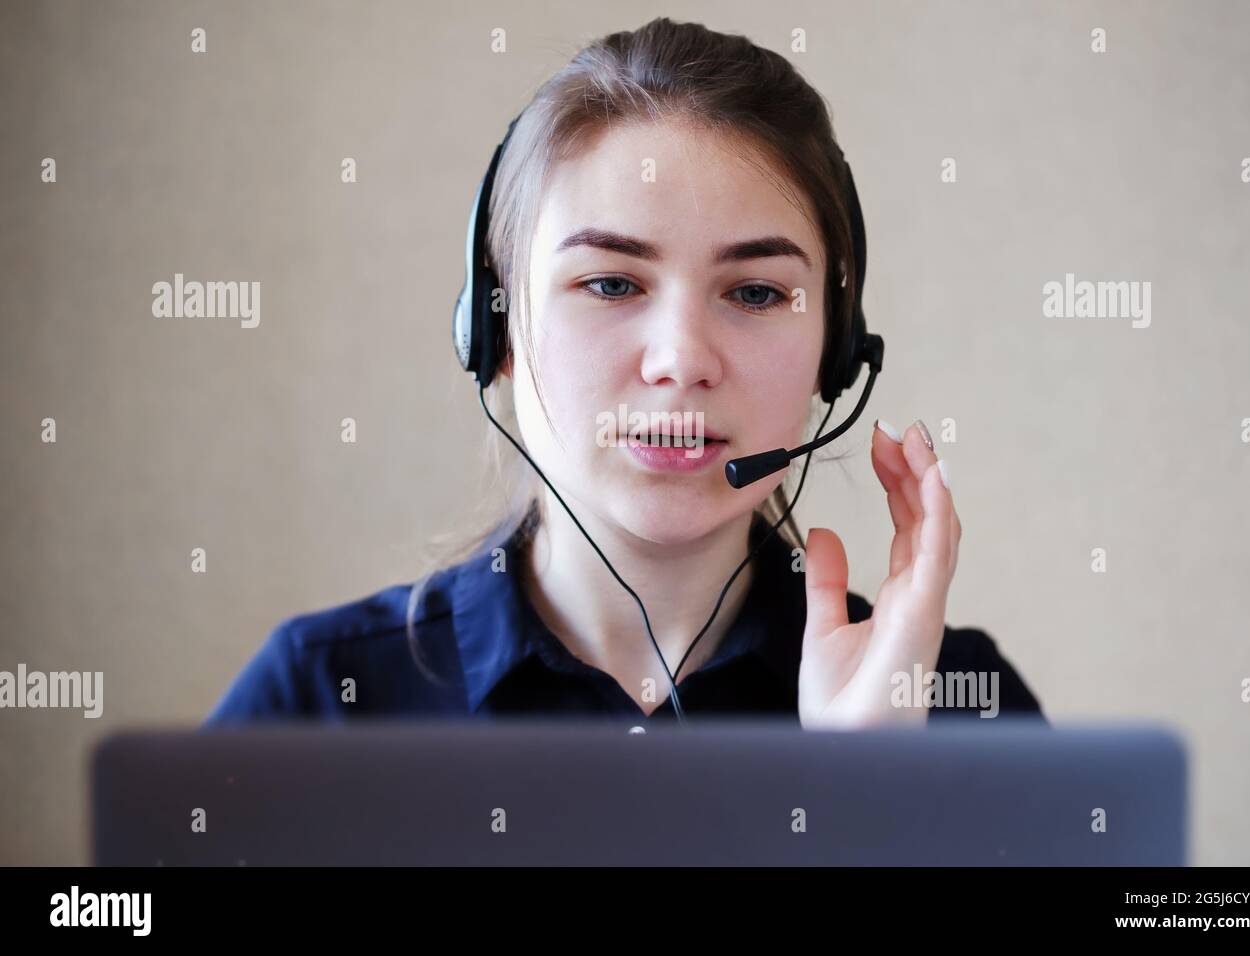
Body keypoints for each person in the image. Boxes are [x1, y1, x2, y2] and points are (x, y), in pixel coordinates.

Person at [206, 17, 1043, 729]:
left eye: (755, 292)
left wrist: (867, 801)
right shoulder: (314, 702)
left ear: (837, 349)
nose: (681, 359)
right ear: (493, 327)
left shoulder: (958, 705)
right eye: (610, 283)